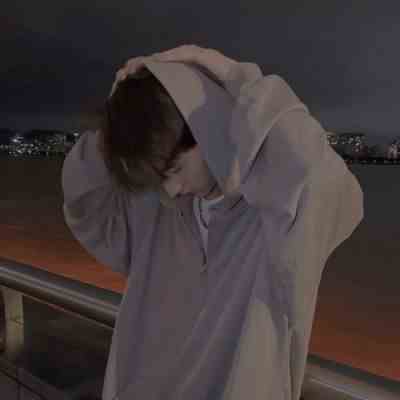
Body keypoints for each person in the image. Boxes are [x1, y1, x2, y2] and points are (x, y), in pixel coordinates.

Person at [61, 44, 364, 400]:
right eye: (159, 178)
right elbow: (83, 199)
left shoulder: (273, 213)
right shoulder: (156, 211)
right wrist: (120, 120)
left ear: (206, 129)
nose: (171, 190)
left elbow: (324, 182)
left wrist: (232, 75)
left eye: (175, 169)